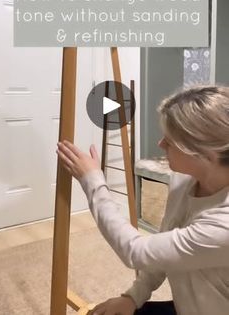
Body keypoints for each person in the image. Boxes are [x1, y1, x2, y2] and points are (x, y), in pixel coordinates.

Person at [57, 85, 229, 315]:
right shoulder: (184, 178)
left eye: (170, 141)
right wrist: (133, 297)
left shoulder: (223, 225)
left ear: (207, 155)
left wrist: (93, 181)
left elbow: (137, 252)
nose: (160, 145)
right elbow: (164, 251)